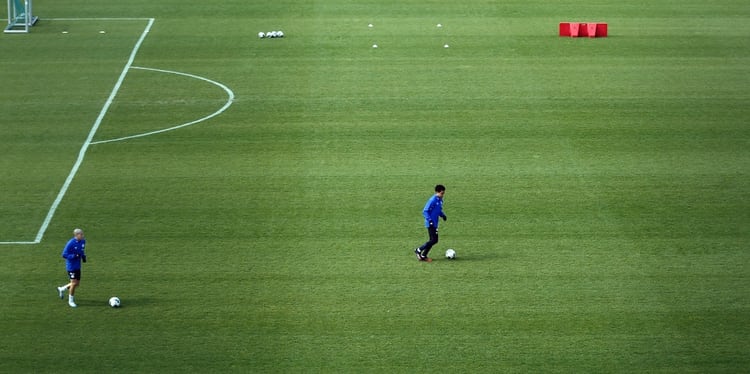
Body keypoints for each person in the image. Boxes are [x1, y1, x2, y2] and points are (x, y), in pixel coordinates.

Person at [414, 185, 447, 262]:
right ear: (437, 192)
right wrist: (430, 220)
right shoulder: (432, 200)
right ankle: (418, 250)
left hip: (435, 223)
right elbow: (425, 211)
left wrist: (443, 215)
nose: (443, 195)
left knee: (432, 240)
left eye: (443, 193)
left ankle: (423, 255)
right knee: (434, 240)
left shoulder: (440, 200)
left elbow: (438, 210)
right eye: (442, 193)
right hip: (431, 223)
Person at [57, 228, 87, 308]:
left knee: (77, 284)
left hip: (78, 266)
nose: (83, 235)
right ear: (76, 235)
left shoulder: (83, 241)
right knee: (73, 283)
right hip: (71, 267)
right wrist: (74, 256)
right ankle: (71, 301)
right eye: (81, 234)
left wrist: (83, 256)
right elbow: (64, 255)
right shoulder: (70, 243)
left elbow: (82, 250)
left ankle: (62, 289)